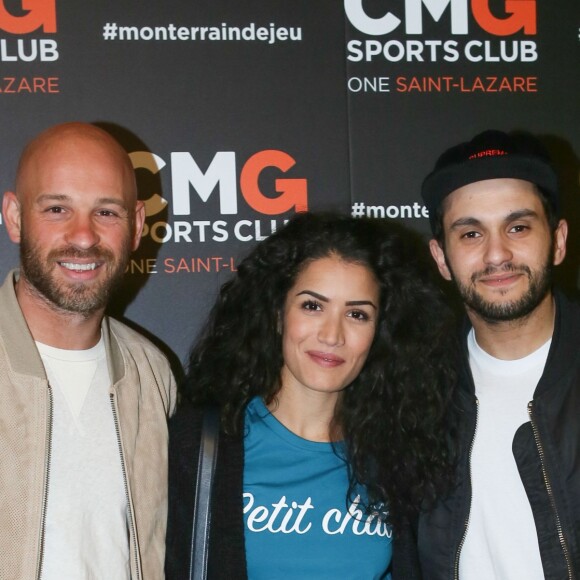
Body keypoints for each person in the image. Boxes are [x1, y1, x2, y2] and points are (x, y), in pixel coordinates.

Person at [166, 212, 457, 579]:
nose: (332, 335)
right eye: (313, 306)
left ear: (380, 330)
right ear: (276, 313)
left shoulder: (399, 453)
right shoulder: (202, 443)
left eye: (357, 314)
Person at [0, 122, 177, 580]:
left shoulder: (153, 375)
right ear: (15, 217)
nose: (83, 237)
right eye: (57, 208)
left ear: (138, 224)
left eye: (107, 212)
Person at [411, 129, 579, 579]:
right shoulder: (413, 391)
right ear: (442, 258)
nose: (497, 254)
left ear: (558, 241)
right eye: (470, 234)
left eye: (518, 227)